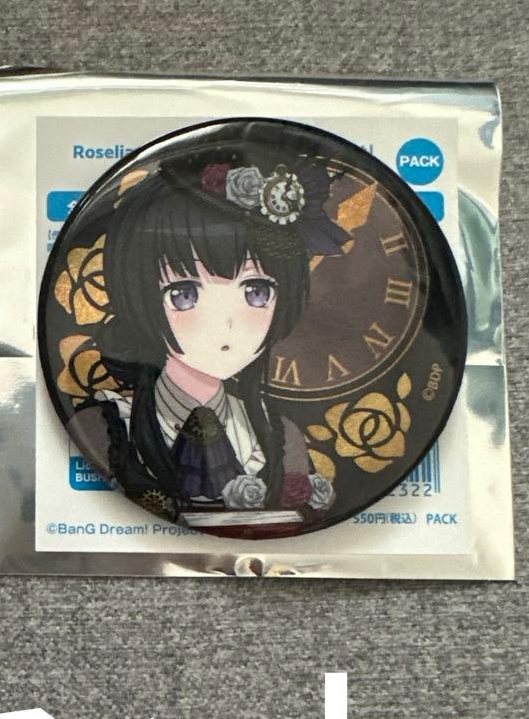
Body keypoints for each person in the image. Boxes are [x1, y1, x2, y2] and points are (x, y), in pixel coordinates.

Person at [69, 148, 347, 521]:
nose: (226, 324)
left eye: (256, 292)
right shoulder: (104, 427)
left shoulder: (281, 437)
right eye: (184, 294)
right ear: (138, 294)